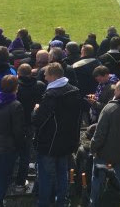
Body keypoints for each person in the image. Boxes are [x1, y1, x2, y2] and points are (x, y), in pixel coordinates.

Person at [33, 62, 82, 207]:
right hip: (67, 141)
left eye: (46, 75)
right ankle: (62, 201)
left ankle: (44, 202)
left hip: (50, 143)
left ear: (53, 76)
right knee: (63, 173)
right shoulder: (74, 90)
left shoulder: (51, 95)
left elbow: (38, 120)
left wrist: (36, 110)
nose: (45, 78)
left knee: (46, 176)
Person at [0, 75, 25, 207]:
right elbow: (17, 130)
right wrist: (20, 146)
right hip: (6, 148)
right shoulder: (15, 105)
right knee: (3, 178)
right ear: (16, 88)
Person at [14, 64, 45, 192]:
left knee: (14, 152)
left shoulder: (15, 86)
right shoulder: (40, 85)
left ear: (18, 73)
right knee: (25, 154)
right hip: (33, 122)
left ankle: (9, 179)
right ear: (31, 73)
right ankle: (20, 183)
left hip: (16, 123)